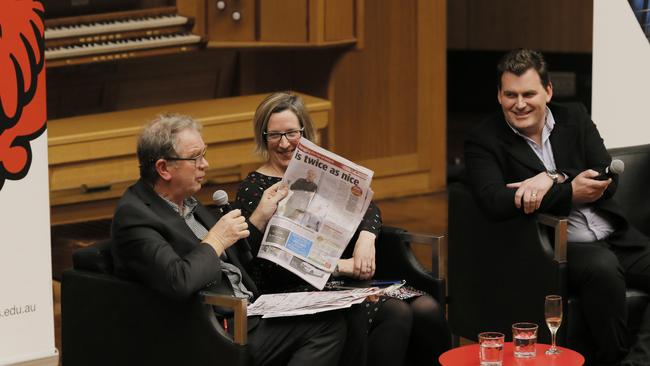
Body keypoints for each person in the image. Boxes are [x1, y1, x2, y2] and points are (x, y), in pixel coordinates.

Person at [110, 113, 347, 366]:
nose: (205, 164)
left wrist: (257, 220)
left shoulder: (186, 201)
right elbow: (178, 280)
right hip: (215, 325)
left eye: (204, 154)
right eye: (195, 158)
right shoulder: (135, 217)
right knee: (328, 328)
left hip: (250, 309)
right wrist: (215, 240)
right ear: (163, 168)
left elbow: (235, 257)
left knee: (346, 314)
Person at [464, 48, 650, 366]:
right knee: (602, 268)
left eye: (528, 93)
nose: (519, 104)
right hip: (556, 246)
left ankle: (639, 361)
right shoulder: (484, 140)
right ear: (498, 95)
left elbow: (608, 176)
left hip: (616, 235)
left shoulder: (574, 116)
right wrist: (570, 192)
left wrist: (553, 177)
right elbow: (494, 200)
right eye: (510, 94)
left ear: (548, 91)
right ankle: (613, 358)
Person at [235, 92, 451, 366]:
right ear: (263, 136)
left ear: (305, 132)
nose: (284, 143)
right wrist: (341, 266)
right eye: (274, 135)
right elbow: (262, 262)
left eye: (292, 133)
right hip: (294, 290)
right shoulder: (253, 188)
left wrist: (367, 238)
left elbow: (367, 205)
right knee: (396, 312)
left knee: (427, 308)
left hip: (344, 283)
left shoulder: (321, 171)